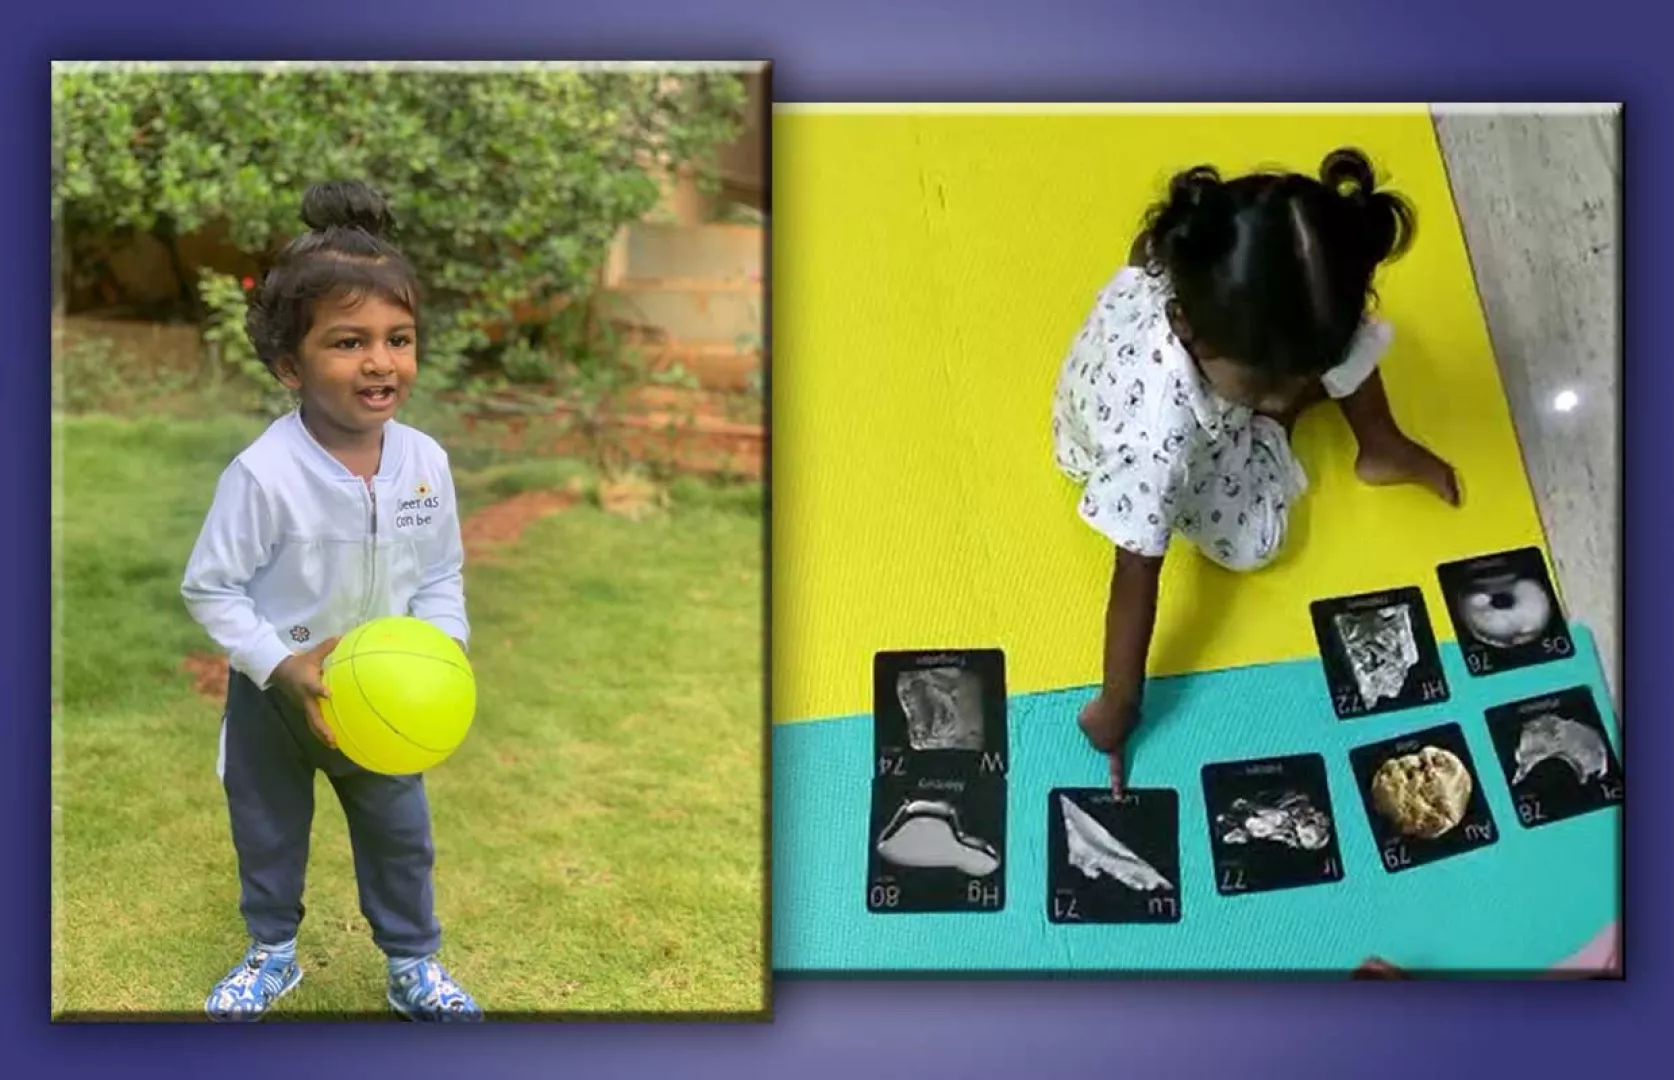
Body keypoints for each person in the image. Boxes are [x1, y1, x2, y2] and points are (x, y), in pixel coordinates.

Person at [1052, 149, 1461, 796]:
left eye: (1296, 377)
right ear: (1190, 330)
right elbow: (1134, 575)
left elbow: (1289, 342)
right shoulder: (1155, 446)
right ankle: (1292, 427)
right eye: (1269, 385)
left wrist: (1286, 371)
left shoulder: (1201, 255)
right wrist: (1117, 709)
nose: (1287, 392)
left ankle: (1380, 444)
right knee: (1254, 546)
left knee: (1347, 336)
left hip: (1183, 375)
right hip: (1125, 434)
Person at [181, 181, 482, 1022]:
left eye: (399, 339)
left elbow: (440, 573)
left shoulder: (426, 463)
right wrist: (280, 665)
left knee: (400, 838)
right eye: (348, 343)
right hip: (275, 694)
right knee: (270, 834)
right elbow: (211, 585)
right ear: (290, 365)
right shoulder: (263, 475)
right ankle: (271, 954)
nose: (380, 362)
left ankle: (412, 966)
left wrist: (442, 647)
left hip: (382, 701)